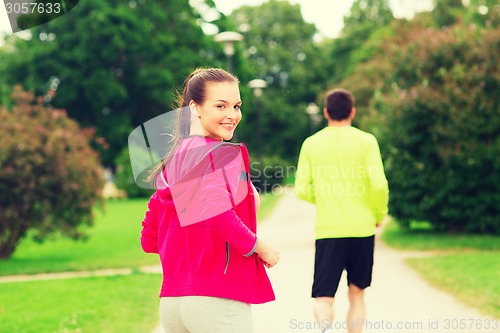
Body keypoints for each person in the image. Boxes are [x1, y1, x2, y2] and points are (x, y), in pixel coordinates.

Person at [140, 68, 279, 333]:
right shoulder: (213, 155)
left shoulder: (174, 160)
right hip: (216, 301)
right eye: (220, 105)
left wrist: (190, 253)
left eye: (236, 106)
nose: (232, 115)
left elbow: (149, 239)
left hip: (173, 304)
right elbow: (217, 213)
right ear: (195, 107)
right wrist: (261, 247)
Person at [295, 88, 389, 333]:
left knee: (324, 297)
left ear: (326, 112)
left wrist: (326, 197)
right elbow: (379, 184)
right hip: (362, 228)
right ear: (353, 112)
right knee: (357, 294)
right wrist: (378, 214)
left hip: (329, 231)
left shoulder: (311, 144)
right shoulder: (367, 141)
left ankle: (325, 326)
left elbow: (302, 189)